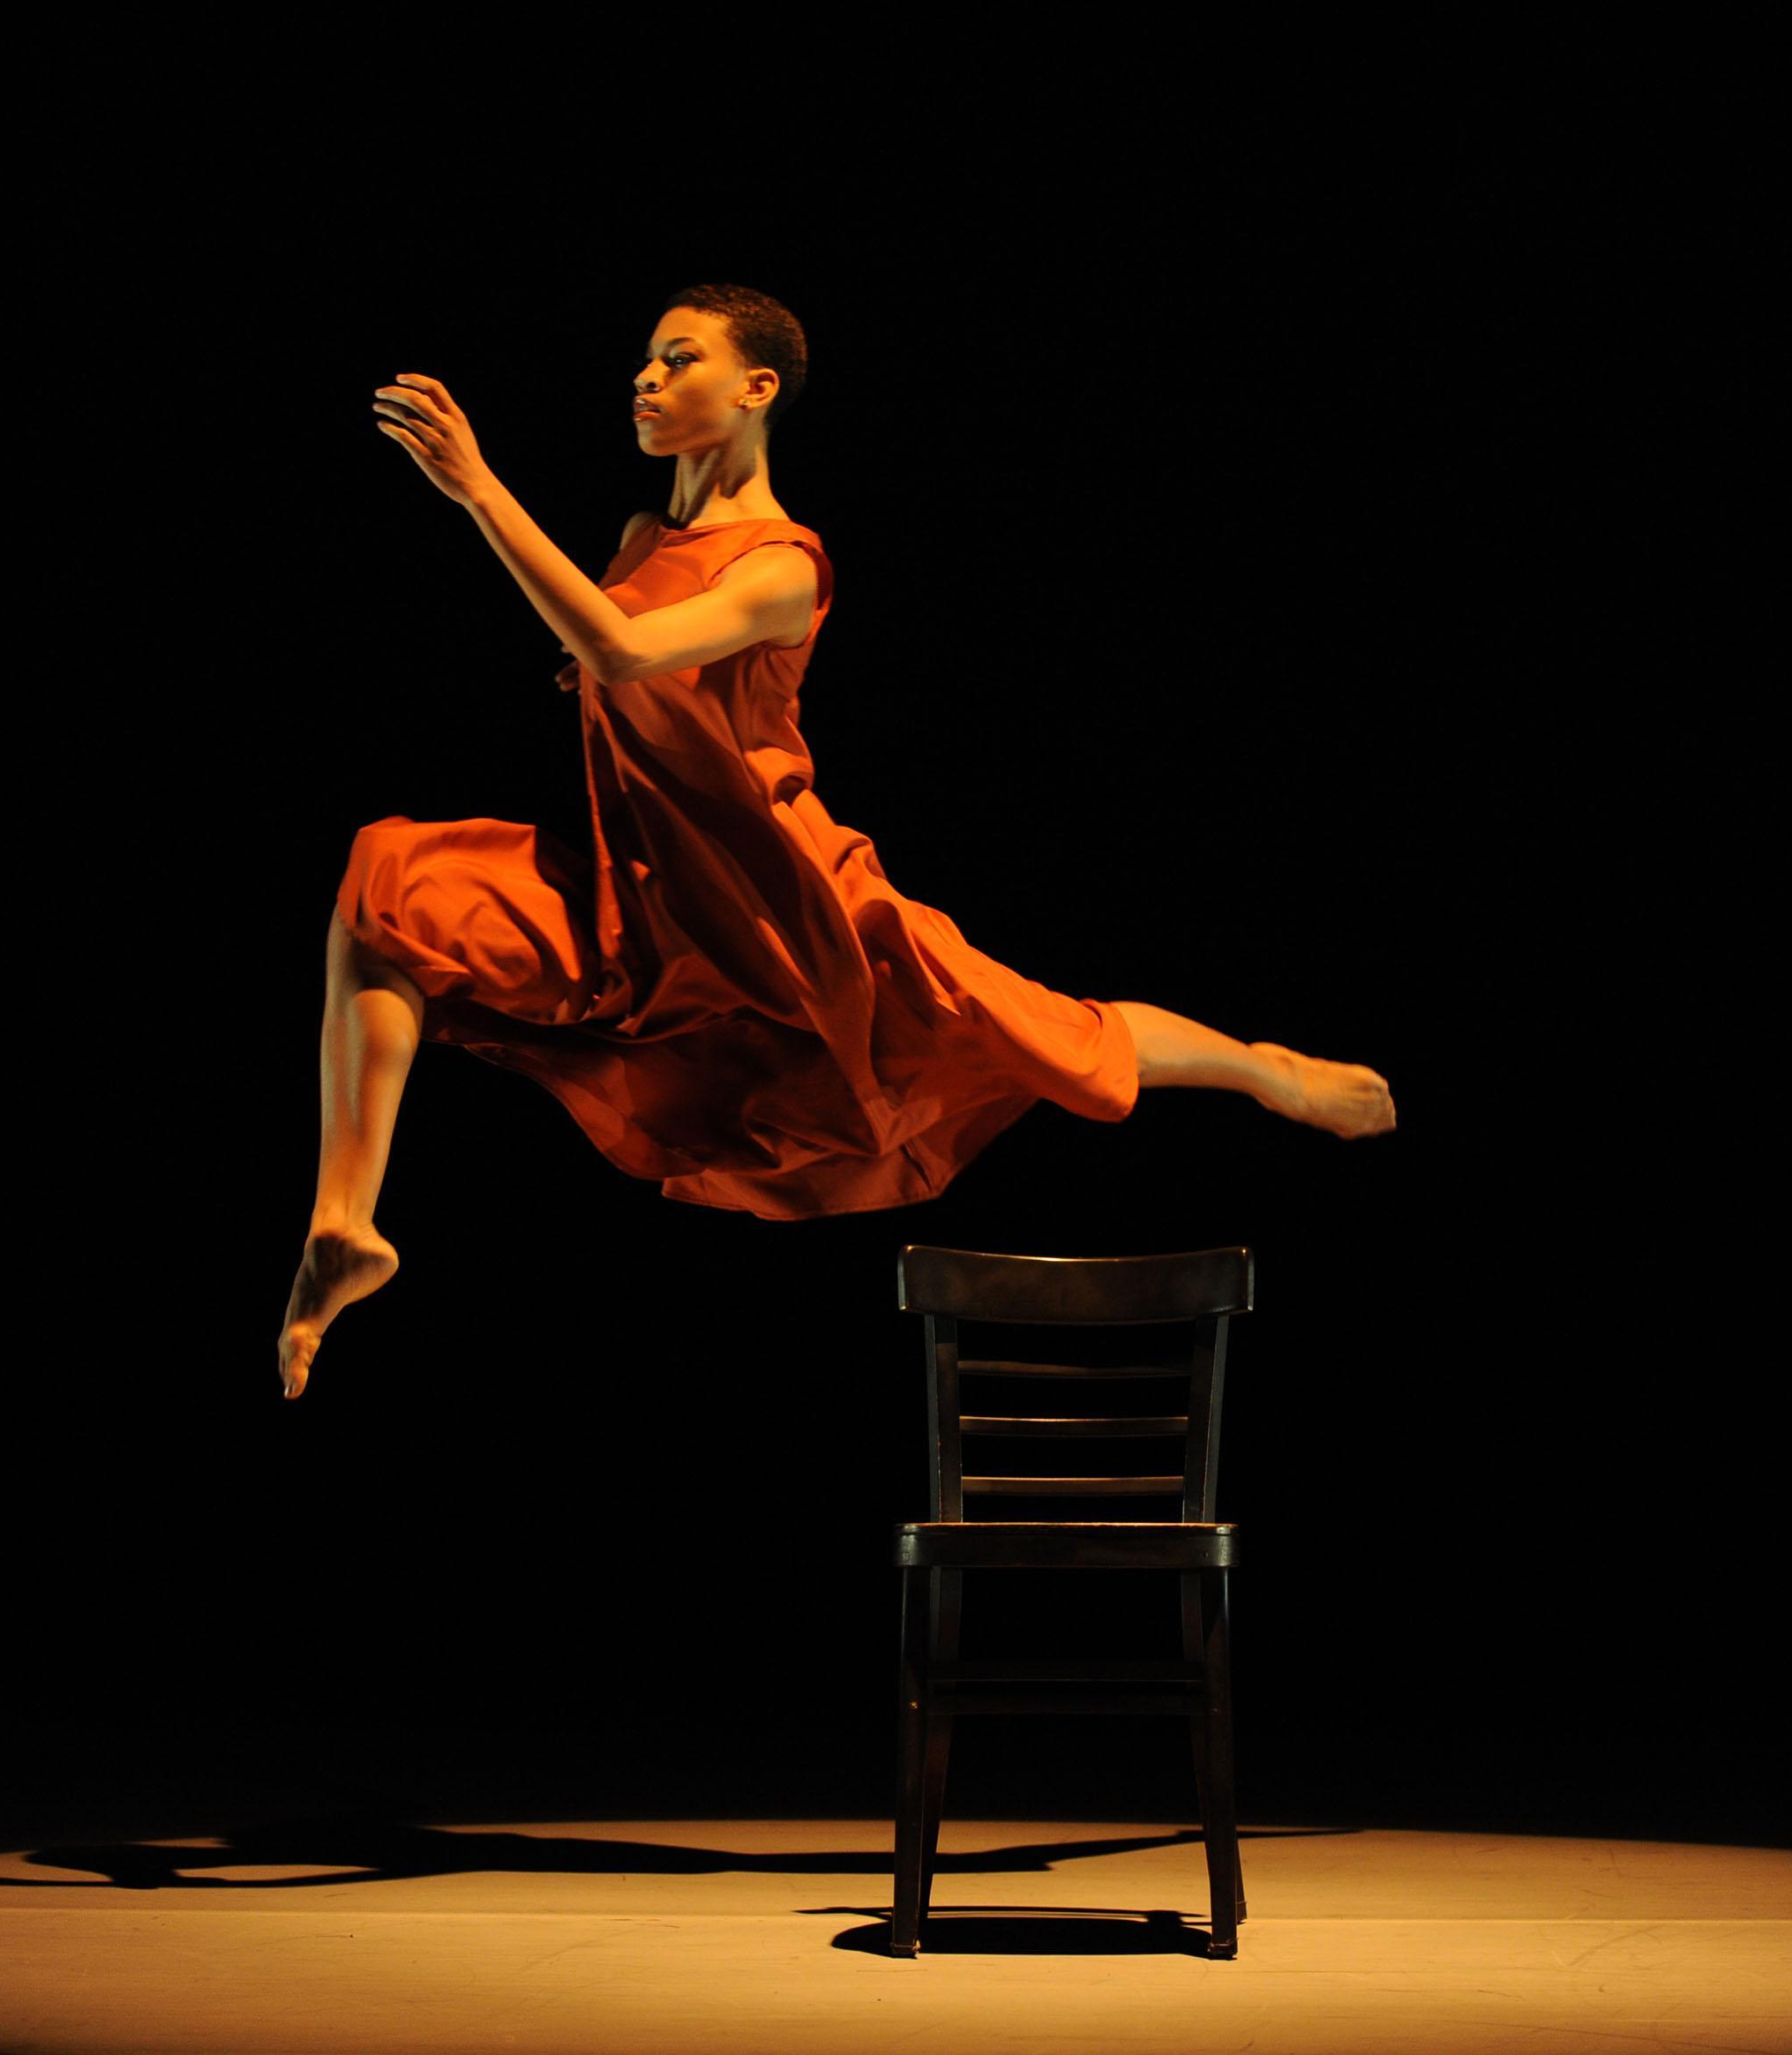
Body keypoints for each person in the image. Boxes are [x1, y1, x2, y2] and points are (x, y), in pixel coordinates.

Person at [278, 285, 1396, 1399]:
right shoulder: (638, 537)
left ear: (755, 388)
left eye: (678, 360)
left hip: (780, 897)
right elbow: (625, 660)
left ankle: (1264, 1070)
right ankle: (344, 1220)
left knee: (1034, 1029)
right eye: (645, 362)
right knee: (391, 886)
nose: (646, 379)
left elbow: (620, 650)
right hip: (638, 882)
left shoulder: (783, 566)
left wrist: (478, 491)